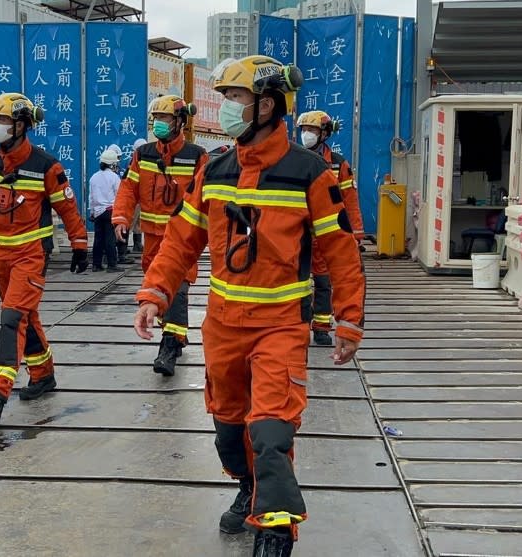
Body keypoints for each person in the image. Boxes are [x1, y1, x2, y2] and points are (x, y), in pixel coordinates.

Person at [132, 56, 365, 556]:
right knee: (229, 431)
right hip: (222, 328)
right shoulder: (214, 168)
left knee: (271, 429)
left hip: (280, 327)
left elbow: (341, 252)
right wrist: (155, 292)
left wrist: (348, 319)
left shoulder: (310, 174)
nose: (228, 107)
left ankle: (276, 528)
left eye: (236, 98)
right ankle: (247, 487)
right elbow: (181, 240)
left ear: (266, 104)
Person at [0, 92, 89, 423]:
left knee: (11, 317)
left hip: (31, 256)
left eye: (4, 121)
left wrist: (79, 244)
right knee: (25, 317)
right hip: (2, 257)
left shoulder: (46, 166)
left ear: (23, 126)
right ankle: (43, 375)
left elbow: (67, 208)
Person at [112, 95, 208, 376]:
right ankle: (176, 335)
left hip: (183, 240)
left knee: (177, 290)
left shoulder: (196, 156)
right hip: (153, 240)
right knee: (158, 291)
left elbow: (205, 197)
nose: (160, 124)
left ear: (180, 122)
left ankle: (168, 347)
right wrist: (121, 217)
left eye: (166, 119)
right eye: (157, 119)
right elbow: (129, 189)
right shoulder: (144, 155)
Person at [297, 110, 365, 346]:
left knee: (324, 283)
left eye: (312, 130)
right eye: (304, 130)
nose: (307, 135)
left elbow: (350, 200)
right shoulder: (291, 160)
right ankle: (299, 326)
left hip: (327, 235)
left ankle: (322, 327)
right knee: (300, 283)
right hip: (299, 235)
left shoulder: (338, 164)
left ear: (324, 133)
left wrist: (356, 234)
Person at [89, 149, 122, 272]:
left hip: (98, 212)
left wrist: (92, 212)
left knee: (98, 238)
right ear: (112, 164)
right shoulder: (114, 177)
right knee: (110, 239)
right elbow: (119, 196)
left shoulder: (94, 177)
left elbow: (91, 197)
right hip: (110, 211)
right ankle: (112, 264)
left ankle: (96, 264)